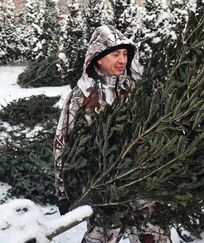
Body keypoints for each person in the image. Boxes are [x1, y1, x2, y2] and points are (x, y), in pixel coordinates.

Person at [53, 25, 170, 243]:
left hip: (142, 182)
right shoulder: (82, 96)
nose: (122, 60)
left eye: (125, 54)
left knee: (154, 236)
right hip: (101, 188)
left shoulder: (138, 89)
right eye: (115, 54)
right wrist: (63, 192)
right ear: (97, 58)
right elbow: (62, 142)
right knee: (102, 236)